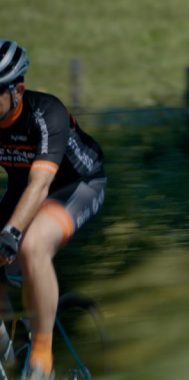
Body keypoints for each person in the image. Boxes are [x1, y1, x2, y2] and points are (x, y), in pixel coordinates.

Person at [0, 39, 105, 379]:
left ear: (17, 89)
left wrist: (11, 233)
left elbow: (40, 186)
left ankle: (41, 360)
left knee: (31, 245)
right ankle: (8, 354)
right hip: (22, 191)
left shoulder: (46, 113)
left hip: (76, 186)